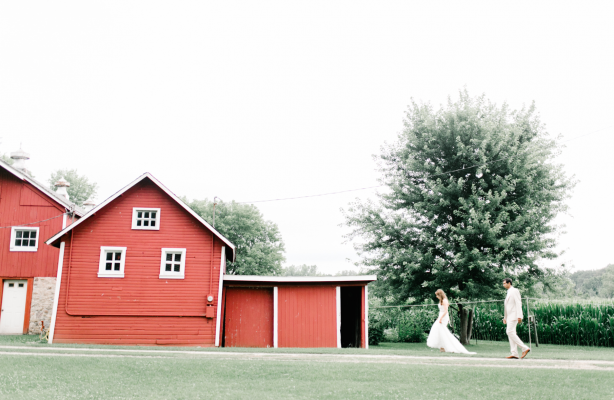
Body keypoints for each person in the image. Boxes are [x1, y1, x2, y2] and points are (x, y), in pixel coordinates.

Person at [426, 289, 475, 354]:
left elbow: (445, 311)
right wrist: (439, 317)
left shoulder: (444, 301)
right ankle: (442, 347)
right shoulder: (441, 301)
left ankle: (447, 346)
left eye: (437, 295)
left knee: (443, 331)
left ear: (440, 295)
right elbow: (441, 311)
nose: (436, 297)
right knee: (439, 331)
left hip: (443, 317)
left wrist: (441, 318)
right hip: (440, 316)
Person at [503, 278, 530, 359]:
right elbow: (507, 306)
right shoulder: (508, 292)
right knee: (511, 334)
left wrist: (519, 316)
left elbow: (518, 303)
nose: (503, 285)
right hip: (509, 316)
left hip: (514, 315)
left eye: (504, 283)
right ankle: (514, 353)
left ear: (509, 283)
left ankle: (524, 348)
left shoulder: (515, 291)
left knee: (509, 332)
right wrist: (505, 317)